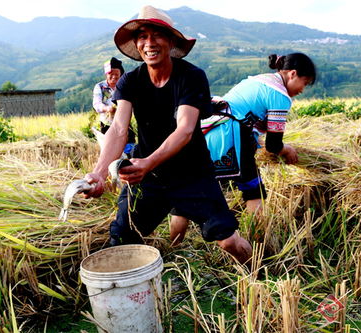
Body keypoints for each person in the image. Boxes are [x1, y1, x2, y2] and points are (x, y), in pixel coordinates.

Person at [82, 5, 252, 264]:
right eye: (142, 36)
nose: (149, 43)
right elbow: (118, 129)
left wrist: (147, 162)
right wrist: (99, 172)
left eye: (157, 35)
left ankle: (256, 277)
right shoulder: (130, 82)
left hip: (192, 174)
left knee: (227, 239)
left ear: (171, 41)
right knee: (122, 239)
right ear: (136, 44)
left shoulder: (191, 77)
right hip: (149, 179)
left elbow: (184, 130)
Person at [170, 53, 317, 244]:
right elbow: (273, 145)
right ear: (293, 74)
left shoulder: (258, 80)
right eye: (304, 83)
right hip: (233, 137)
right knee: (254, 191)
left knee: (189, 192)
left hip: (206, 132)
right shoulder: (280, 95)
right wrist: (286, 149)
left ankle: (173, 248)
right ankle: (259, 245)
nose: (302, 90)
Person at [92, 57, 136, 152]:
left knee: (129, 149)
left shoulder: (124, 86)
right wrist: (107, 109)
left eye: (116, 74)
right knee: (110, 150)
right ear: (106, 74)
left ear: (121, 74)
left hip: (125, 124)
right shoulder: (100, 87)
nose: (114, 77)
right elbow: (97, 104)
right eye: (110, 74)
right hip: (107, 124)